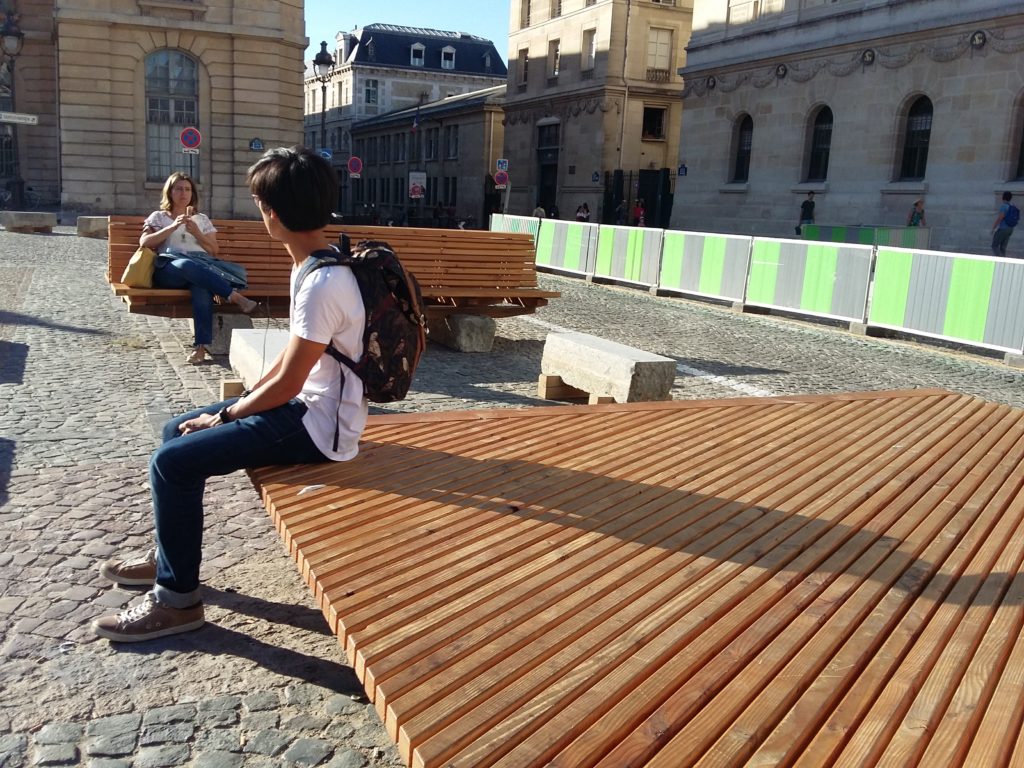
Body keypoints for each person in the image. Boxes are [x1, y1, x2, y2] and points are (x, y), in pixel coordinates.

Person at [91, 147, 368, 642]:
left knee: (171, 463)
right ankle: (170, 552)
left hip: (319, 427)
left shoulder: (322, 282)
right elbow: (290, 364)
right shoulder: (317, 263)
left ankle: (178, 602)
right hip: (306, 405)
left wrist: (226, 416)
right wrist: (234, 407)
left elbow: (288, 382)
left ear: (272, 214)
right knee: (173, 430)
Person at [141, 172, 257, 364]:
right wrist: (172, 227)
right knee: (187, 264)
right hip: (169, 268)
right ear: (169, 192)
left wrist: (196, 233)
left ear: (192, 193)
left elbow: (213, 250)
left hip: (201, 268)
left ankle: (200, 348)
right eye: (178, 189)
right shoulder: (159, 217)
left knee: (200, 287)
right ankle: (235, 296)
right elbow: (144, 242)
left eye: (187, 189)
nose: (183, 193)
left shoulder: (201, 219)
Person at [992, 191, 1019, 257]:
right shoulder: (1012, 206)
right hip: (1010, 229)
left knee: (994, 245)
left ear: (1003, 197)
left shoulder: (1004, 206)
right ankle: (1003, 260)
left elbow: (1000, 218)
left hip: (1003, 228)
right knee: (1003, 248)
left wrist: (993, 228)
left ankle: (1000, 258)